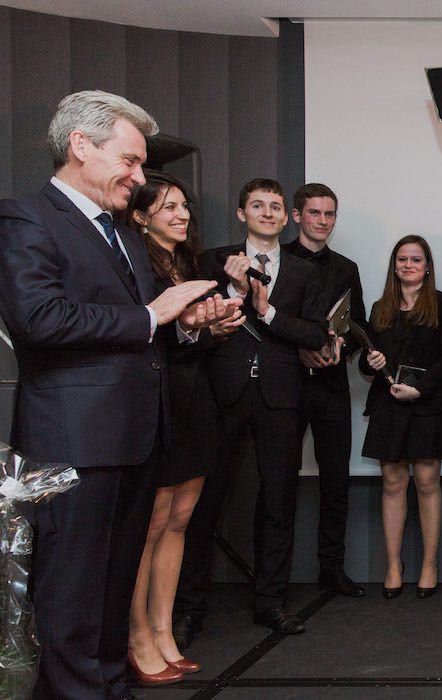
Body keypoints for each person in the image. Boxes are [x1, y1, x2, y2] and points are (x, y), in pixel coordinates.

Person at [0, 90, 226, 699]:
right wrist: (155, 316)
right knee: (71, 593)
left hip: (133, 439)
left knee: (111, 589)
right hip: (74, 442)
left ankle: (109, 688)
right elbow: (39, 320)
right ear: (80, 146)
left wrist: (186, 324)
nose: (137, 175)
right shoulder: (26, 219)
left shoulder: (121, 234)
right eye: (128, 160)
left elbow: (140, 330)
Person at [175, 178, 328, 639]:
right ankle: (187, 608)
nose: (267, 212)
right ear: (241, 213)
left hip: (281, 398)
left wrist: (266, 312)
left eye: (275, 207)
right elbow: (194, 321)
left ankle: (272, 601)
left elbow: (316, 335)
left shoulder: (306, 273)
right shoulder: (211, 262)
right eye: (257, 205)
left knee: (279, 502)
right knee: (203, 504)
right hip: (221, 394)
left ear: (286, 218)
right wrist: (236, 290)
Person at [121, 174, 244, 686]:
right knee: (147, 529)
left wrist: (210, 326)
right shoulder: (134, 264)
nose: (181, 214)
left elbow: (188, 340)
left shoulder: (190, 265)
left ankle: (164, 630)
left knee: (179, 522)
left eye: (184, 206)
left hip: (196, 403)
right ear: (140, 216)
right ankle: (137, 637)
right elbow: (145, 337)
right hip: (156, 405)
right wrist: (191, 327)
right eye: (167, 206)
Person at [360, 235, 442, 600]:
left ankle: (429, 565)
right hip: (388, 403)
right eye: (402, 259)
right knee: (392, 483)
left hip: (427, 402)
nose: (408, 265)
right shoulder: (379, 307)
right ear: (394, 265)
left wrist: (420, 389)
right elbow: (364, 361)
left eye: (416, 259)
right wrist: (369, 362)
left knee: (428, 481)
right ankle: (393, 565)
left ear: (427, 266)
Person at [283, 183, 368, 597]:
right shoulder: (276, 259)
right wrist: (300, 350)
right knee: (279, 482)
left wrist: (340, 349)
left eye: (329, 214)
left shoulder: (346, 267)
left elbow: (357, 325)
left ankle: (331, 569)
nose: (323, 221)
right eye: (315, 213)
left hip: (333, 384)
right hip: (287, 386)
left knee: (337, 481)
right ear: (297, 215)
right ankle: (274, 580)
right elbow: (265, 322)